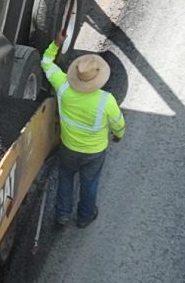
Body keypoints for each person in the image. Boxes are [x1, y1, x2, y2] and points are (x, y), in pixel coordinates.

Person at [41, 41, 124, 228]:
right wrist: (118, 135)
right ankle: (84, 216)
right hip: (94, 152)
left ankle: (62, 215)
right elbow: (119, 124)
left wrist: (56, 43)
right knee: (90, 183)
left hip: (69, 148)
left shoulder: (62, 86)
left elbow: (46, 62)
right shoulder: (106, 100)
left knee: (66, 177)